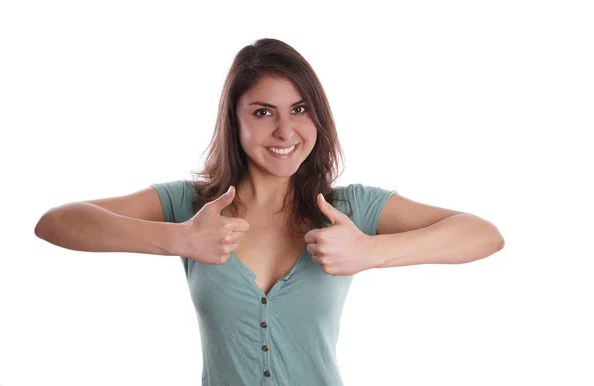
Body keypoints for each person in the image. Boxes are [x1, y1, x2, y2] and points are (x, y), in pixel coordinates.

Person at [34, 38, 402, 385]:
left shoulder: (349, 208)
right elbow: (55, 223)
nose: (285, 131)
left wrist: (372, 251)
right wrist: (180, 238)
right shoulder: (191, 205)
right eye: (263, 112)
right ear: (234, 120)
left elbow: (462, 232)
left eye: (300, 109)